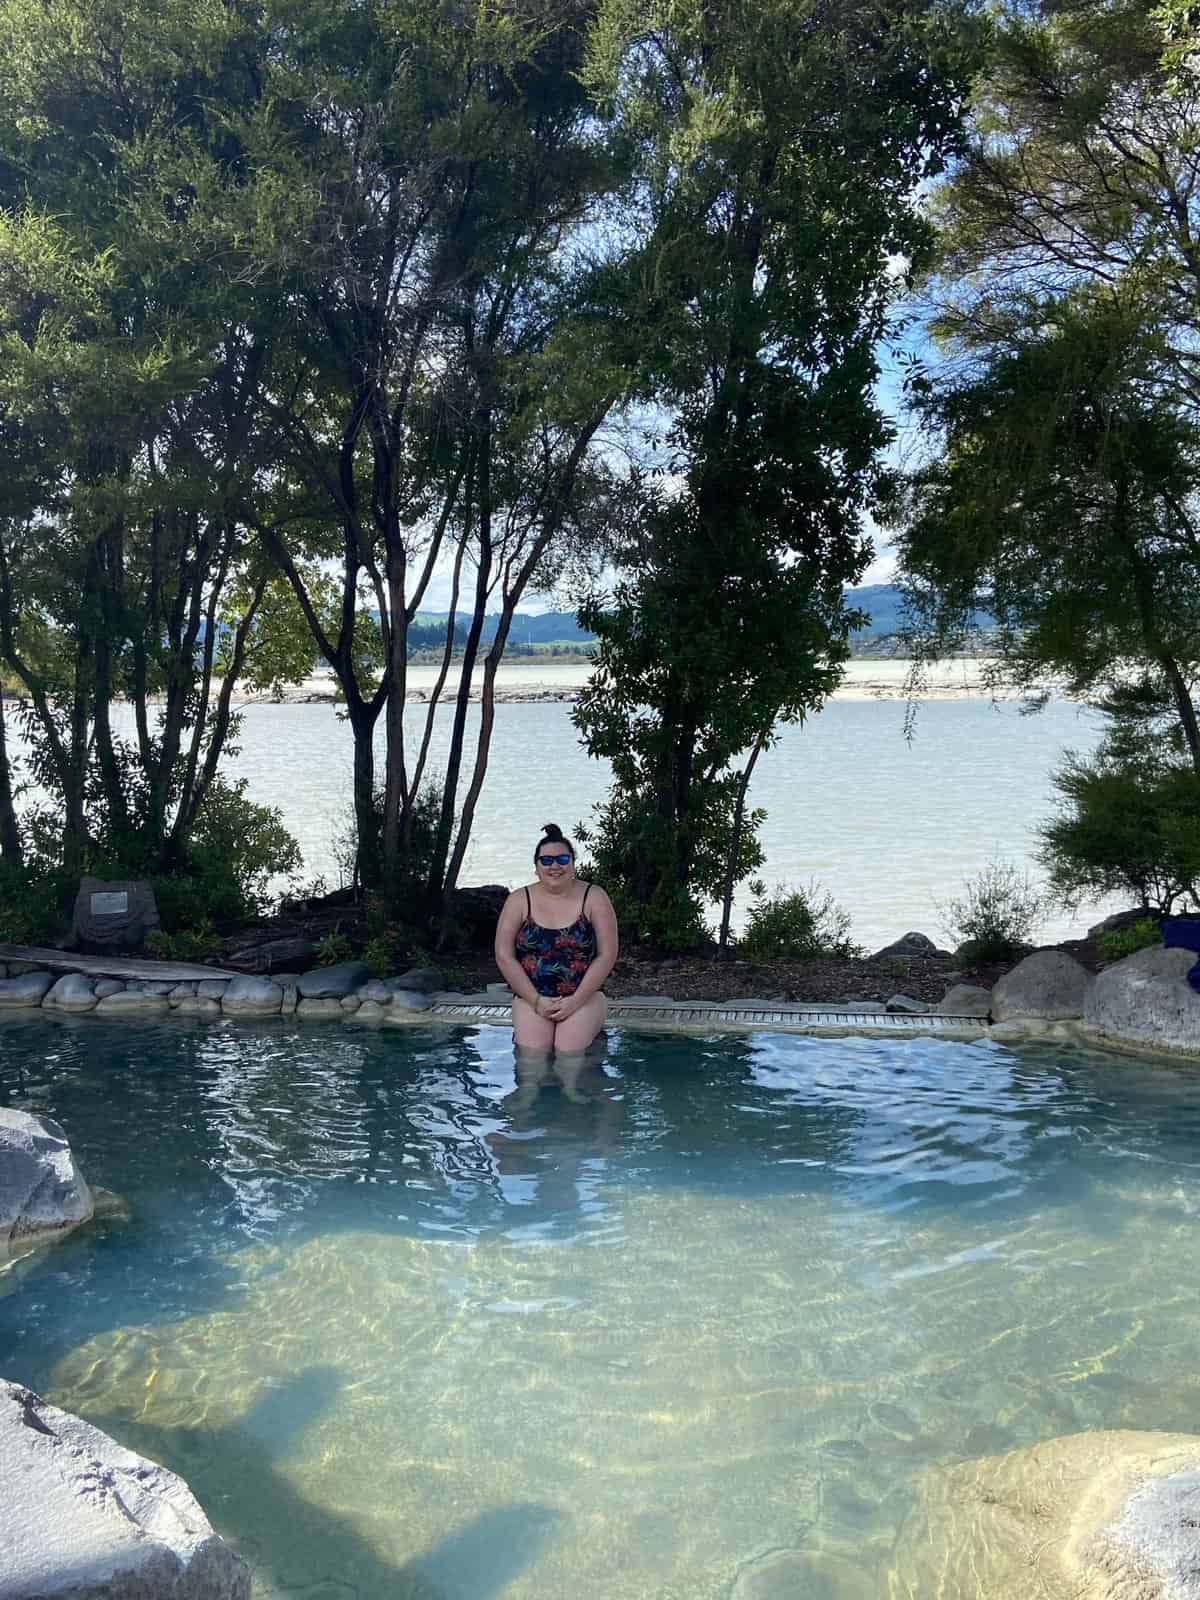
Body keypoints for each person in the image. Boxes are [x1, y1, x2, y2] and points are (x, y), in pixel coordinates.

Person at [494, 822, 618, 1053]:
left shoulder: (594, 897)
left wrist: (577, 1000)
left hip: (585, 997)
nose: (555, 866)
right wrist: (535, 1000)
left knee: (569, 1053)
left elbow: (607, 954)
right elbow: (504, 955)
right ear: (536, 867)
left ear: (572, 863)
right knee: (532, 1057)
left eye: (562, 860)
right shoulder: (519, 900)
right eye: (547, 860)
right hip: (531, 997)